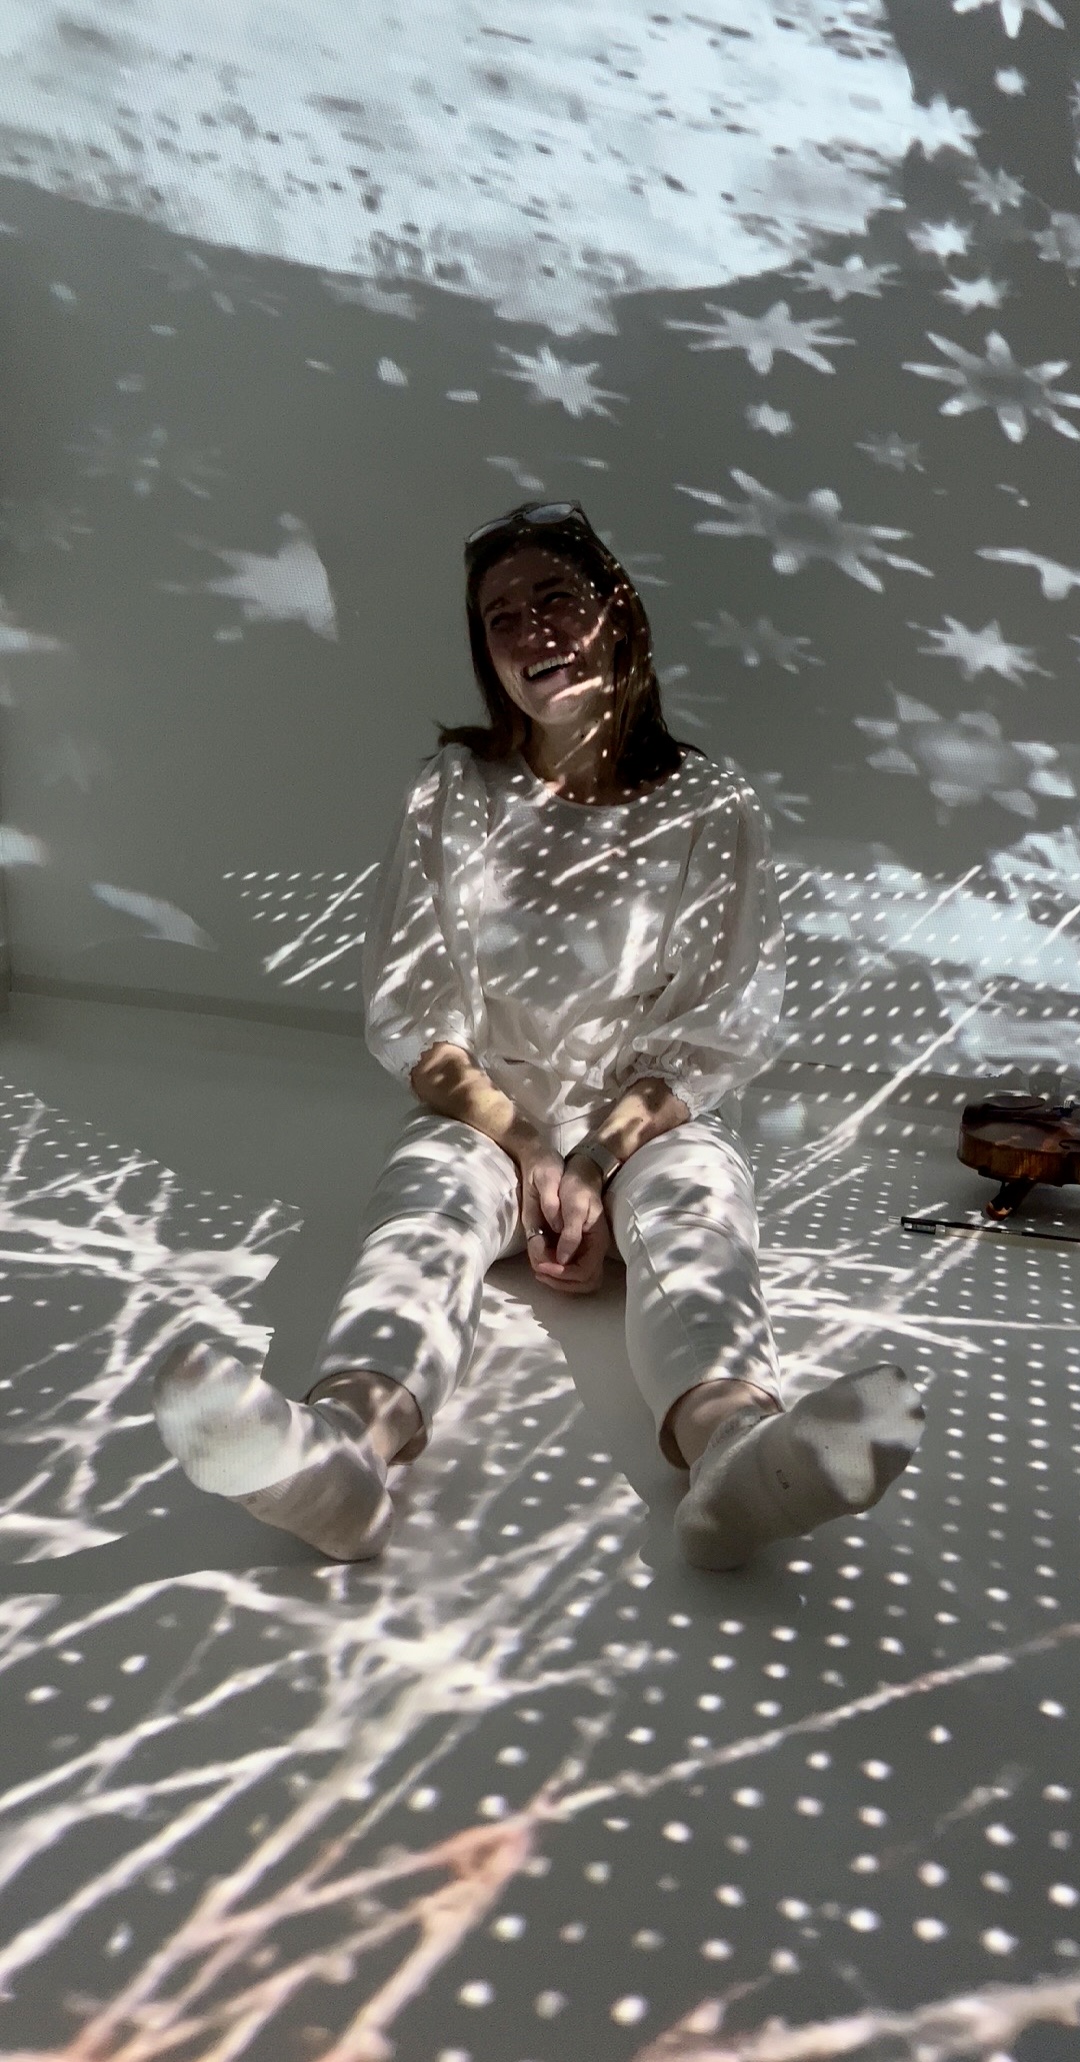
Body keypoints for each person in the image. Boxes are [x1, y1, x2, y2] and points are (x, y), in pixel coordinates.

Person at [151, 501, 924, 1569]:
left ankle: (737, 1454)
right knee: (420, 1216)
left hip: (645, 1125)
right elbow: (416, 1020)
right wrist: (527, 1148)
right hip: (487, 1113)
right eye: (500, 617)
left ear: (618, 615)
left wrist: (597, 1161)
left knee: (702, 1217)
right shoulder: (451, 793)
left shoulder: (711, 804)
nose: (532, 630)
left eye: (555, 597)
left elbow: (712, 1031)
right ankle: (345, 1452)